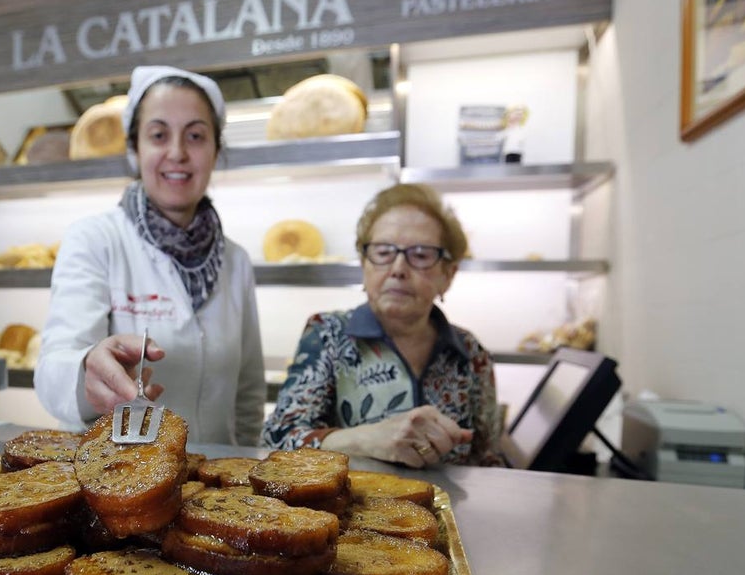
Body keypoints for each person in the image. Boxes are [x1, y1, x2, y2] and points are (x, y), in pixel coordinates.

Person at [35, 66, 266, 446]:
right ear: (134, 149)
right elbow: (53, 369)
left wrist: (239, 472)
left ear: (216, 150)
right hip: (117, 483)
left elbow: (249, 392)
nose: (177, 153)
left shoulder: (235, 260)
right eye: (159, 135)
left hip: (212, 491)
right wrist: (88, 373)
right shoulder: (96, 239)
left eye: (195, 136)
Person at [261, 183, 504, 467]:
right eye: (383, 251)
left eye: (421, 255)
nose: (399, 268)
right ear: (364, 264)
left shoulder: (471, 354)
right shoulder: (328, 333)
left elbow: (487, 462)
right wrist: (367, 439)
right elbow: (277, 440)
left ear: (448, 275)